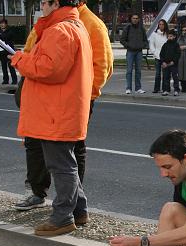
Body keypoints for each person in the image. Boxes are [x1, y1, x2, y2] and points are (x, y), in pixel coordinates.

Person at [14, 0, 113, 215]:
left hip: (69, 99)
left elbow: (101, 66)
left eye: (44, 2)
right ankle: (42, 192)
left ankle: (70, 206)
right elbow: (36, 51)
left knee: (68, 153)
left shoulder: (88, 24)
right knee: (37, 146)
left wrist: (86, 95)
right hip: (48, 96)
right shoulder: (56, 21)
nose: (41, 6)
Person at [121, 13, 148, 94]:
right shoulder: (127, 28)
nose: (135, 20)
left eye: (136, 18)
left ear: (139, 19)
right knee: (129, 71)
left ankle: (138, 88)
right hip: (130, 52)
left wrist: (142, 45)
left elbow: (145, 40)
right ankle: (128, 88)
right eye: (133, 18)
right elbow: (122, 40)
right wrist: (129, 46)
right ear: (131, 19)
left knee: (138, 71)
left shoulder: (141, 28)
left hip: (139, 52)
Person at [149, 19, 168, 94]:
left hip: (165, 57)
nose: (161, 26)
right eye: (160, 24)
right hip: (157, 56)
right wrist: (154, 52)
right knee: (157, 74)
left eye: (162, 24)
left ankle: (165, 89)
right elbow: (151, 45)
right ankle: (156, 88)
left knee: (165, 74)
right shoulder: (154, 34)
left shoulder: (167, 34)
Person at [160, 29, 181, 96]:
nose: (169, 37)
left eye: (171, 36)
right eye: (168, 36)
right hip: (165, 63)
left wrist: (174, 61)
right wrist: (163, 62)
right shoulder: (165, 45)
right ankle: (166, 90)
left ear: (174, 36)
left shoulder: (176, 45)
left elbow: (178, 54)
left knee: (175, 77)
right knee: (166, 77)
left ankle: (176, 90)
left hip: (173, 64)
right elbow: (161, 54)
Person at [0, 19, 18, 85]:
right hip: (1, 51)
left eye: (3, 23)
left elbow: (6, 37)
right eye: (1, 23)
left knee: (11, 66)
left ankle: (14, 80)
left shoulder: (9, 31)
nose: (2, 25)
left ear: (6, 24)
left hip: (8, 52)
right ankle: (5, 80)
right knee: (3, 67)